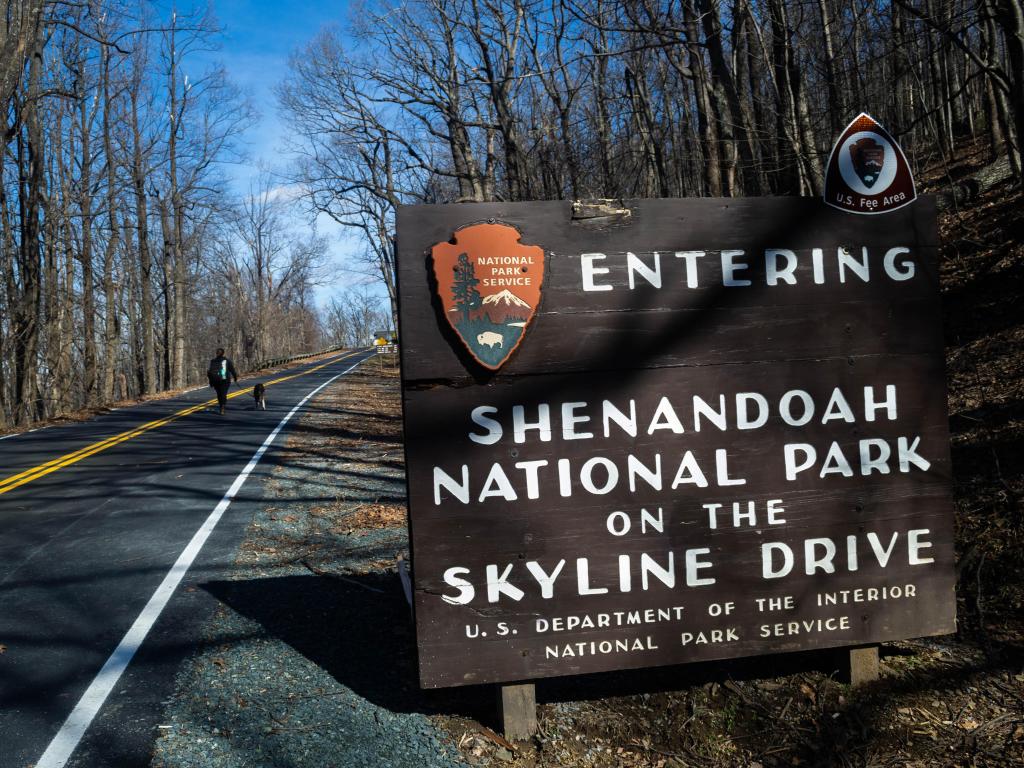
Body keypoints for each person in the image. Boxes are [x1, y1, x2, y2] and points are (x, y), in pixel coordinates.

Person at [207, 348, 239, 415]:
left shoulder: (213, 361)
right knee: (223, 394)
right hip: (225, 380)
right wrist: (235, 377)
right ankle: (222, 407)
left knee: (219, 394)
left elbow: (210, 372)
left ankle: (221, 406)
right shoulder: (227, 361)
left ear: (216, 353)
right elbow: (232, 370)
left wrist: (211, 381)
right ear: (223, 353)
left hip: (215, 380)